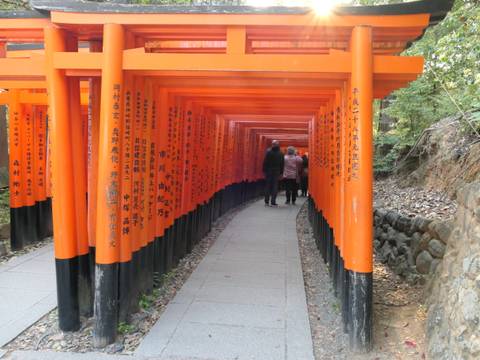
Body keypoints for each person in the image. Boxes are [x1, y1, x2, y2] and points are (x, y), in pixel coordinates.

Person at [262, 140, 284, 206]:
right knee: (275, 186)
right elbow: (282, 163)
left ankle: (266, 201)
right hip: (276, 171)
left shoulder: (268, 152)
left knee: (267, 185)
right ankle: (273, 201)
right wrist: (281, 172)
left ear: (272, 144)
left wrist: (264, 170)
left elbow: (265, 161)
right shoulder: (280, 153)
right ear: (278, 145)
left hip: (269, 170)